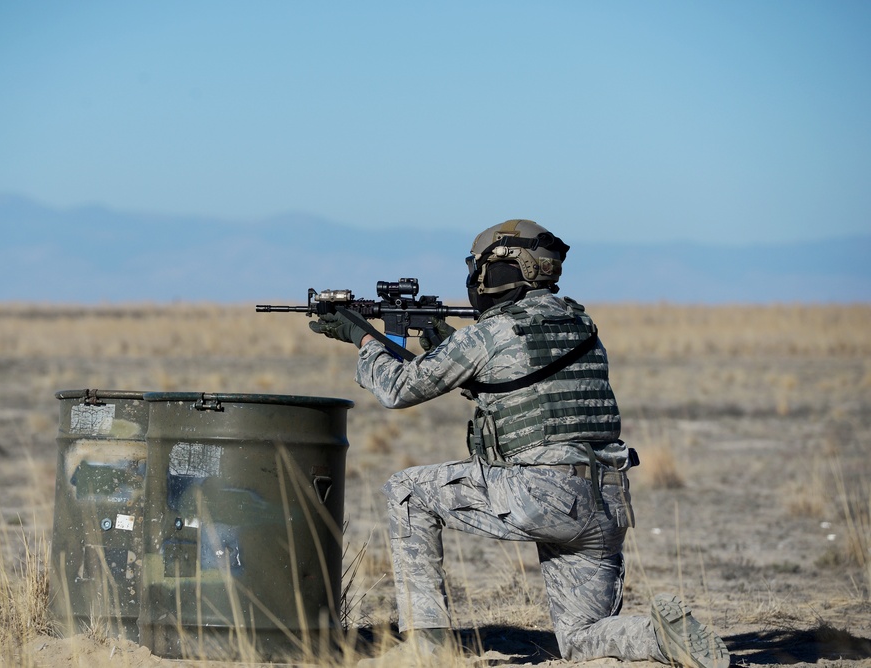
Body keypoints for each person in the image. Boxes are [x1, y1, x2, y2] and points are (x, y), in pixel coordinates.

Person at [309, 219, 730, 668]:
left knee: (407, 492)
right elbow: (518, 385)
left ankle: (425, 647)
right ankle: (658, 639)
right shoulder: (582, 326)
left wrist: (361, 337)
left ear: (503, 270)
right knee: (581, 638)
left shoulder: (492, 331)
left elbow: (398, 389)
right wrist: (448, 346)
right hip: (606, 502)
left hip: (542, 497)